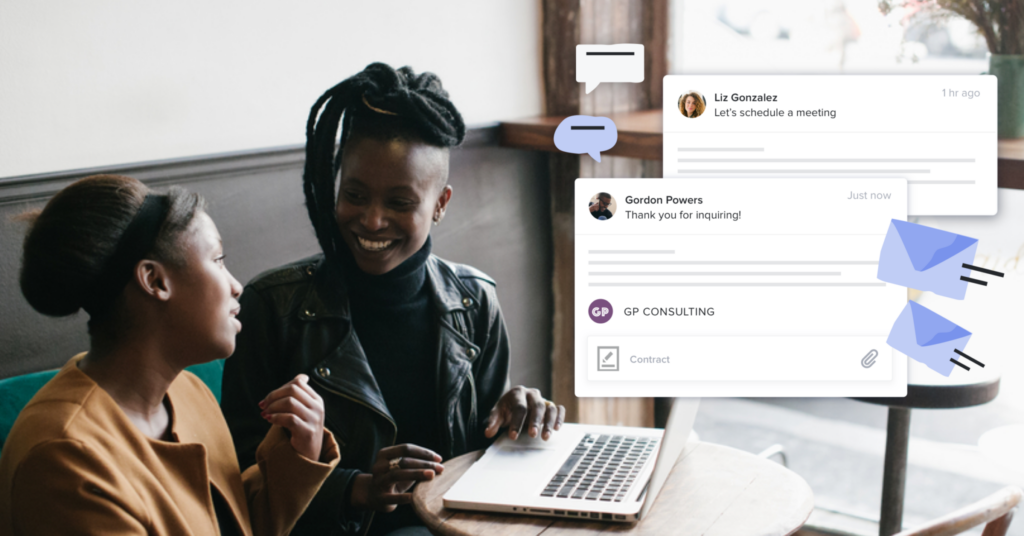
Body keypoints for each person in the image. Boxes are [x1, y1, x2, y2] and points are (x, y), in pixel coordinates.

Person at [221, 63, 566, 536]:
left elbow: (488, 460)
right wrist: (356, 488)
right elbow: (238, 478)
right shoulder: (273, 309)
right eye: (355, 194)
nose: (372, 220)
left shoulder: (475, 301)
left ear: (440, 204)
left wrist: (518, 418)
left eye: (400, 203)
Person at [0, 175, 341, 536]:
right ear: (155, 281)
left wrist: (299, 450)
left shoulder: (189, 392)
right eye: (218, 260)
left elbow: (232, 525)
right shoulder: (65, 458)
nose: (236, 285)